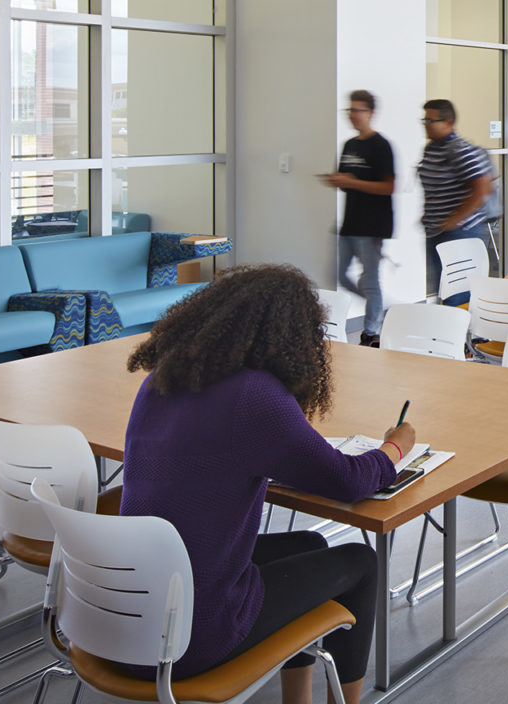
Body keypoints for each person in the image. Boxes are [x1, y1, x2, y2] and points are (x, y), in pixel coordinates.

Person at [120, 266, 415, 704]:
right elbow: (347, 480)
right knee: (361, 563)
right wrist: (395, 449)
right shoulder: (252, 395)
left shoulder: (163, 378)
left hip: (124, 614)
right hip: (188, 637)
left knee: (310, 545)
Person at [325, 90, 394, 347]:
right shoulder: (350, 145)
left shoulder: (380, 146)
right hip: (350, 222)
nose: (352, 115)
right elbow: (345, 181)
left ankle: (371, 331)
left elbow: (388, 187)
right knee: (341, 276)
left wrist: (354, 182)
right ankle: (377, 306)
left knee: (371, 279)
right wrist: (339, 181)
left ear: (370, 113)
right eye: (350, 110)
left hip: (372, 225)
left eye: (357, 110)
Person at [418, 98, 495, 303]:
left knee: (457, 293)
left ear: (448, 122)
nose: (425, 125)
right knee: (442, 288)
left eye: (430, 121)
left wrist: (455, 219)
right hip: (436, 230)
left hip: (460, 232)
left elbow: (483, 186)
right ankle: (450, 332)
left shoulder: (459, 149)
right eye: (424, 120)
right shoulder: (432, 149)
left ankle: (468, 333)